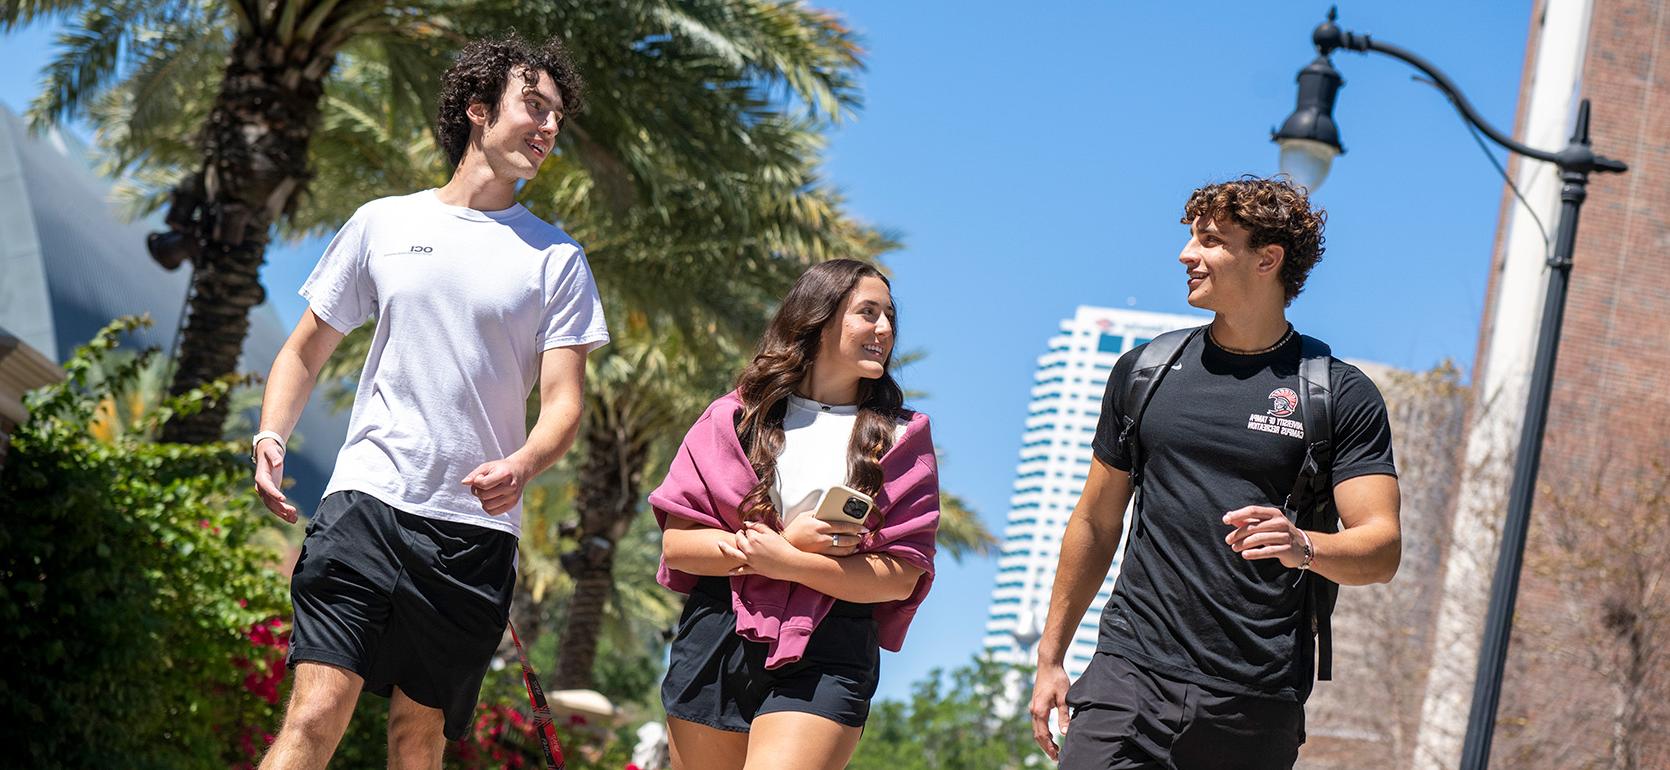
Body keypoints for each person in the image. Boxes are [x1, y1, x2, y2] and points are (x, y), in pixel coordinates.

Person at [249, 33, 608, 770]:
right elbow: (305, 349)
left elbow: (564, 403)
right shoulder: (386, 221)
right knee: (314, 715)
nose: (546, 129)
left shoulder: (557, 260)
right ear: (478, 109)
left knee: (418, 742)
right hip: (366, 504)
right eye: (533, 106)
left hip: (472, 533)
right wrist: (271, 437)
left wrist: (525, 463)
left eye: (556, 120)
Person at [1029, 176, 1402, 769]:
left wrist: (1302, 544)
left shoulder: (1339, 394)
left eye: (1210, 241)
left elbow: (1381, 549)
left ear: (1266, 260)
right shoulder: (1146, 371)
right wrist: (1052, 657)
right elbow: (1096, 521)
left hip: (1253, 699)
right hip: (1129, 676)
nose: (1186, 255)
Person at [648, 259, 941, 770]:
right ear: (818, 318)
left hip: (832, 644)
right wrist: (767, 551)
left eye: (890, 316)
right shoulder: (734, 419)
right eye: (868, 313)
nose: (885, 329)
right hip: (718, 631)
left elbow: (900, 576)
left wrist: (789, 558)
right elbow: (678, 546)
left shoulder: (903, 437)